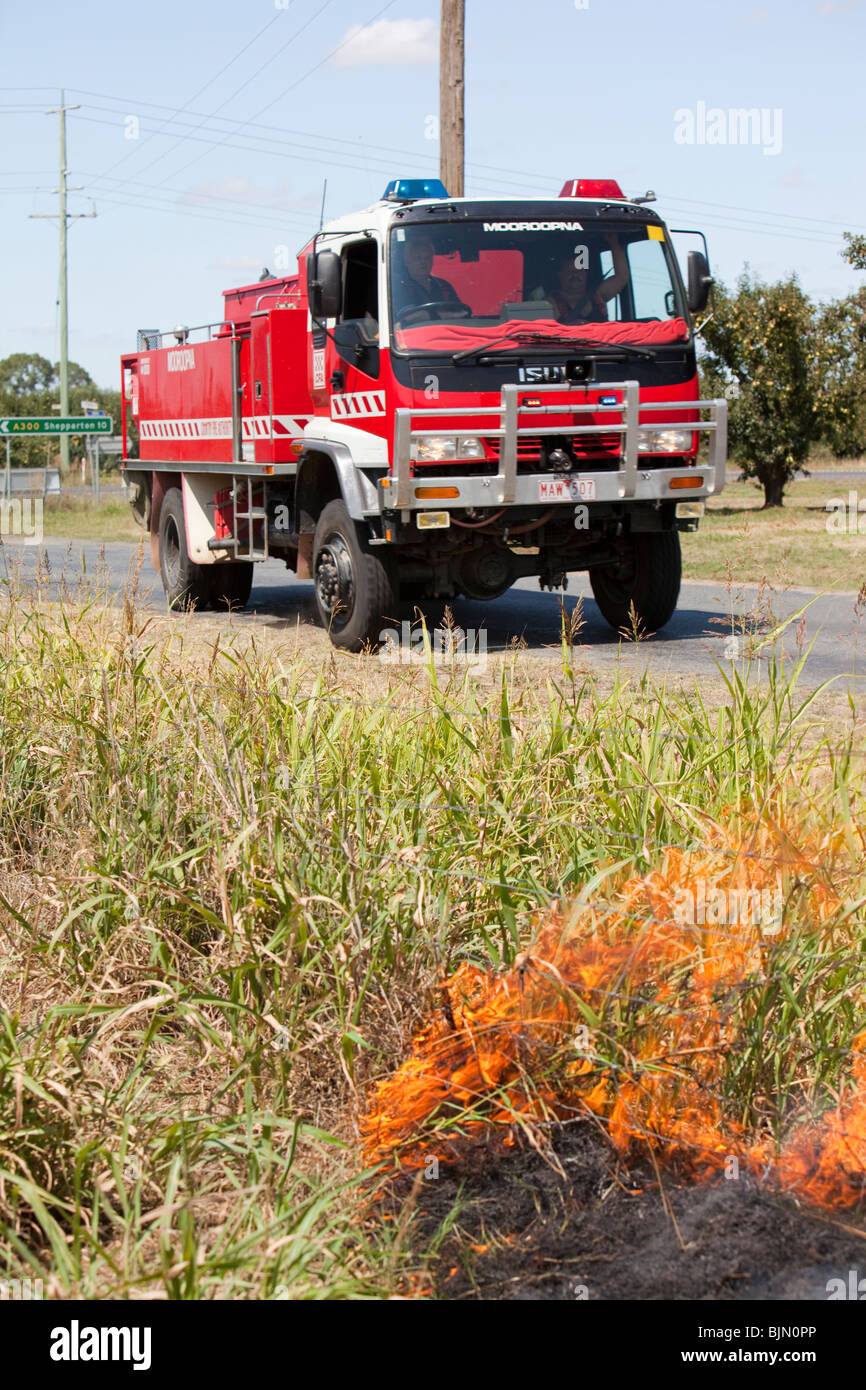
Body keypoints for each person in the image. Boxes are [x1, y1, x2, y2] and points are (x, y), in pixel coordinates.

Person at [534, 235, 629, 325]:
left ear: (586, 273)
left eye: (579, 271)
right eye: (570, 271)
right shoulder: (550, 303)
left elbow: (622, 277)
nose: (575, 274)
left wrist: (614, 243)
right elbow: (545, 332)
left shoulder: (598, 296)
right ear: (560, 275)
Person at [396, 235, 463, 316]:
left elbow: (461, 311)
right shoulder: (400, 288)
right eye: (418, 258)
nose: (423, 262)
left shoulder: (444, 286)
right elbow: (407, 317)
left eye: (427, 258)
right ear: (406, 261)